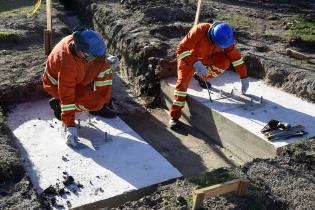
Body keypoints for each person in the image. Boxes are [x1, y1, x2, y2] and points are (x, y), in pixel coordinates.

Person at [42, 28, 119, 147]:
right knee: (96, 102)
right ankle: (58, 105)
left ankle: (104, 105)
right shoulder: (67, 64)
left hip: (77, 76)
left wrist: (106, 58)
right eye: (90, 56)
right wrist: (70, 127)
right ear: (81, 51)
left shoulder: (80, 43)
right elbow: (67, 97)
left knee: (105, 66)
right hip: (58, 86)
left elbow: (95, 55)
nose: (92, 59)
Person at [169, 22, 249, 129]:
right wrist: (195, 63)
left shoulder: (225, 38)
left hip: (207, 57)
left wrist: (244, 77)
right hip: (189, 58)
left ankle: (201, 76)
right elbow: (181, 49)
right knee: (182, 86)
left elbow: (236, 58)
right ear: (212, 36)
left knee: (224, 62)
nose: (220, 47)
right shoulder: (199, 31)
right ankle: (174, 116)